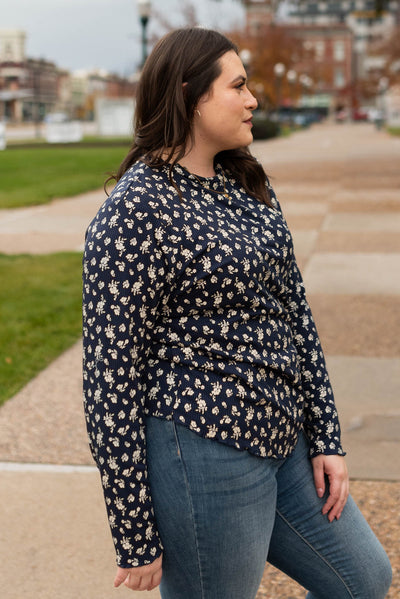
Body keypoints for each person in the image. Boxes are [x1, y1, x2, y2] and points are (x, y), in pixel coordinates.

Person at [82, 27, 392, 599]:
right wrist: (134, 528)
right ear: (190, 95)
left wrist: (326, 435)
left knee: (364, 580)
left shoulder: (245, 181)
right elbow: (109, 380)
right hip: (204, 449)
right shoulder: (134, 213)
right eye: (239, 86)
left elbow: (294, 313)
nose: (253, 100)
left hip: (286, 440)